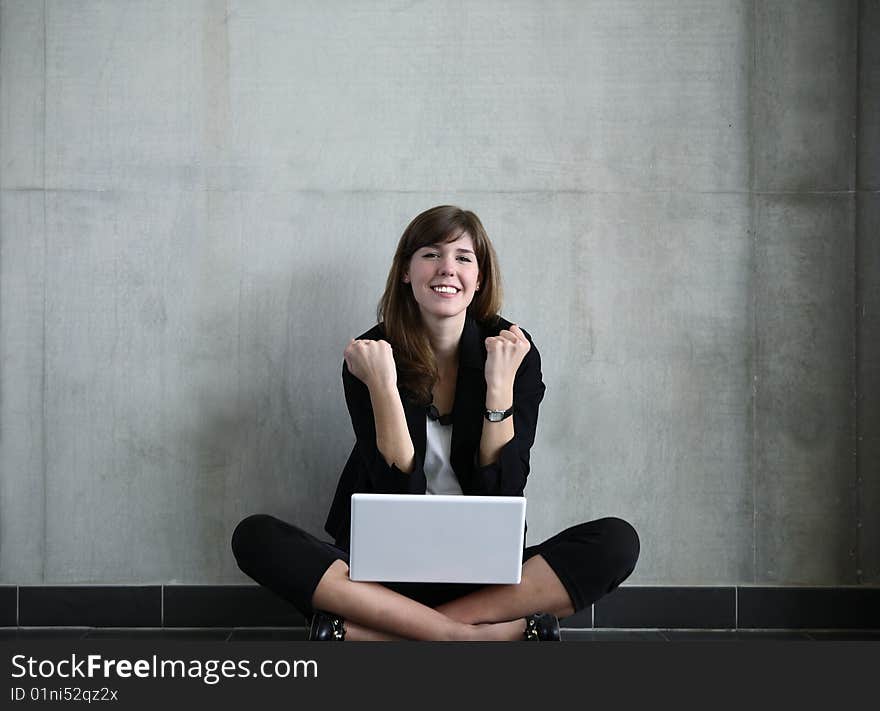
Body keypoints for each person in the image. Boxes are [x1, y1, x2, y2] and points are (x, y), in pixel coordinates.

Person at [231, 205, 640, 641]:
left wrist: (498, 385)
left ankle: (386, 632)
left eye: (463, 258)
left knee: (615, 542)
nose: (447, 268)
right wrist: (384, 386)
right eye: (431, 254)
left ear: (479, 278)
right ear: (406, 271)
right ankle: (471, 636)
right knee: (255, 538)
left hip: (484, 573)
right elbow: (392, 491)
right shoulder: (370, 354)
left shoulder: (512, 351)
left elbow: (503, 490)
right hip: (381, 570)